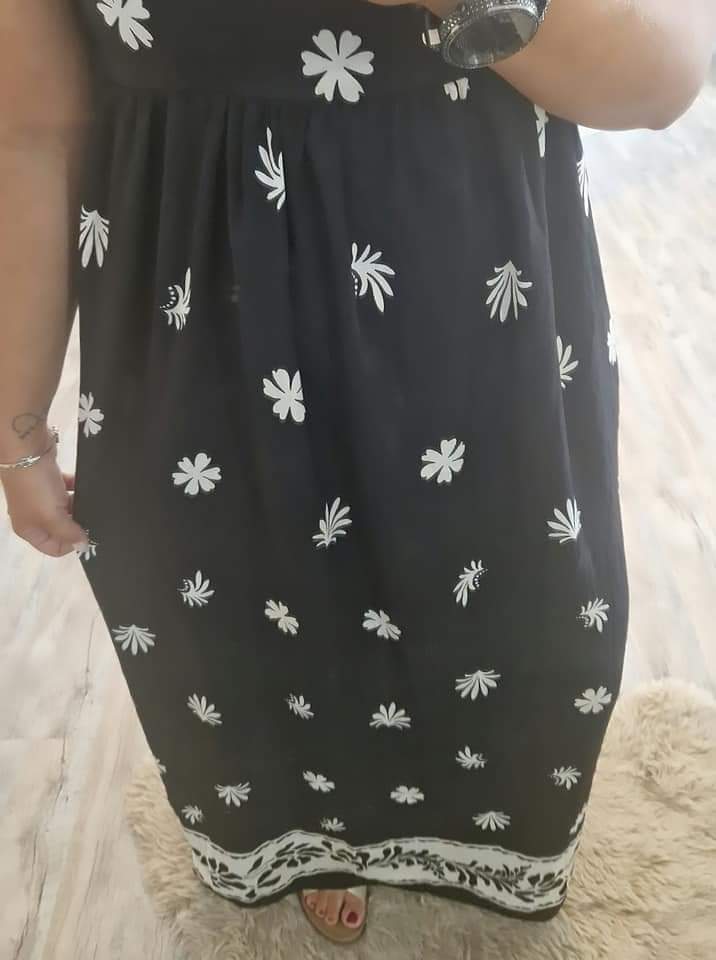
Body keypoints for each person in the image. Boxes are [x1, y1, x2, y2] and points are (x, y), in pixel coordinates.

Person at [1, 0, 714, 947]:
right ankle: (313, 832)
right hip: (198, 343)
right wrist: (18, 424)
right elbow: (32, 133)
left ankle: (492, 834)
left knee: (511, 614)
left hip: (468, 321)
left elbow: (665, 78)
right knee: (237, 626)